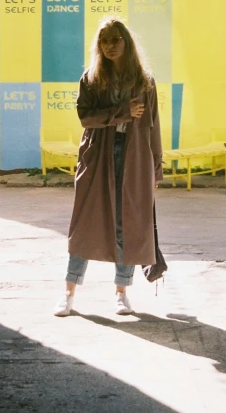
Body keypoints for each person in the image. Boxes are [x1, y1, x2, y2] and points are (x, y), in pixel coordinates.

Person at [54, 18, 164, 317]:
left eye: (116, 39)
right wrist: (121, 112)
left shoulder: (144, 81)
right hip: (97, 155)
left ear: (126, 42)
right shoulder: (90, 79)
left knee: (128, 223)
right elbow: (85, 118)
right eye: (105, 41)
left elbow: (153, 125)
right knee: (84, 223)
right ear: (98, 46)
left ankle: (121, 294)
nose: (110, 45)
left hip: (135, 157)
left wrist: (156, 164)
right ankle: (68, 292)